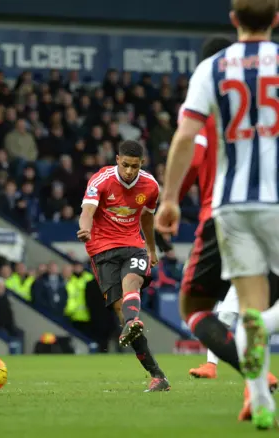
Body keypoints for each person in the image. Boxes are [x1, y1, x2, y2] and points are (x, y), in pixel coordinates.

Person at [156, 0, 279, 429]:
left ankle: (260, 398)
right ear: (277, 19)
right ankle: (263, 332)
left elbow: (186, 135)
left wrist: (169, 199)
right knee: (259, 311)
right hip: (276, 200)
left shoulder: (213, 68)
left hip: (230, 206)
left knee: (231, 306)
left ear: (233, 20)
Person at [78, 140, 169, 392]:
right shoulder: (101, 179)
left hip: (133, 244)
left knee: (133, 281)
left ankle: (132, 321)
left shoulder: (150, 185)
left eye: (135, 166)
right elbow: (87, 209)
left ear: (142, 164)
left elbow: (148, 218)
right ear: (117, 159)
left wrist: (151, 248)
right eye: (126, 165)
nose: (129, 171)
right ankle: (158, 376)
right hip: (102, 249)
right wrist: (84, 228)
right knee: (120, 309)